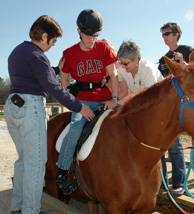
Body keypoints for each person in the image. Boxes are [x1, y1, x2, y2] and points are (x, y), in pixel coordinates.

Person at [4, 15, 94, 214]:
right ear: (44, 36)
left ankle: (18, 207)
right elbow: (54, 88)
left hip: (13, 105)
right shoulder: (38, 56)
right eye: (52, 41)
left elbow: (36, 75)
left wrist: (56, 69)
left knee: (23, 160)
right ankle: (31, 210)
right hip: (30, 107)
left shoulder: (19, 51)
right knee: (36, 164)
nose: (52, 46)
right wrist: (80, 107)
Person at [56, 9, 118, 195]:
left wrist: (114, 99)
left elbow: (113, 75)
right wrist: (73, 99)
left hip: (105, 98)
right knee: (75, 129)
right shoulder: (69, 53)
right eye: (88, 35)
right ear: (79, 31)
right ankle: (62, 171)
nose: (92, 39)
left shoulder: (103, 49)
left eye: (95, 35)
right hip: (83, 100)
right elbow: (64, 80)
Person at [158, 22, 194, 196]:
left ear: (176, 34)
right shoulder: (162, 60)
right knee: (162, 143)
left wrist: (184, 63)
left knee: (175, 145)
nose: (165, 37)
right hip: (169, 105)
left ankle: (178, 183)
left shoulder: (188, 49)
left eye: (167, 33)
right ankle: (163, 182)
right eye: (163, 34)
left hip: (189, 102)